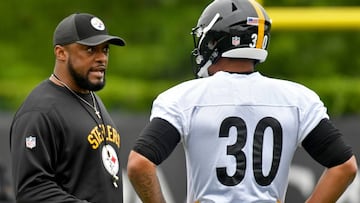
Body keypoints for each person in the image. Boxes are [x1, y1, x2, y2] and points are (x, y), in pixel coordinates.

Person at [127, 0, 358, 202]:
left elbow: (140, 164)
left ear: (215, 41)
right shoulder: (297, 99)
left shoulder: (184, 98)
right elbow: (344, 166)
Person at [10, 13, 125, 203]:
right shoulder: (39, 111)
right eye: (90, 50)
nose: (101, 58)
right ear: (61, 53)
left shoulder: (92, 99)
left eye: (105, 50)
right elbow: (32, 191)